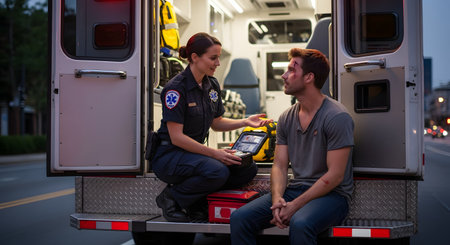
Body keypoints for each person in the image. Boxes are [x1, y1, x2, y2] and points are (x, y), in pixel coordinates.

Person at [230, 48, 354, 244]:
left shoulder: (337, 117)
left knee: (300, 223)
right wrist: (278, 199)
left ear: (309, 77)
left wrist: (294, 206)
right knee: (240, 219)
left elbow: (335, 175)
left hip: (332, 196)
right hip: (295, 189)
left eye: (291, 70)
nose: (283, 75)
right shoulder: (287, 117)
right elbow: (279, 165)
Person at [152, 32, 272, 222]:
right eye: (213, 58)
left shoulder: (211, 85)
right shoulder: (176, 88)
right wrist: (215, 153)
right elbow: (177, 137)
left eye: (218, 58)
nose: (218, 63)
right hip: (170, 155)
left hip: (194, 153)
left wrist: (245, 122)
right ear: (194, 57)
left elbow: (216, 123)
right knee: (217, 170)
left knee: (247, 168)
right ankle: (171, 198)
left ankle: (198, 202)